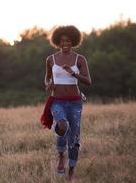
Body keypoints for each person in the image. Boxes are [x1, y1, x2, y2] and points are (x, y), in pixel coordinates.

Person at [44, 25, 91, 181]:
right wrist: (49, 84)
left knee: (75, 138)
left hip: (75, 102)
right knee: (62, 125)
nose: (65, 43)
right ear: (57, 42)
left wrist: (73, 74)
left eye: (69, 41)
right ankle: (61, 155)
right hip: (57, 101)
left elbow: (88, 81)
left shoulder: (80, 59)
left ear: (74, 42)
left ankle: (71, 169)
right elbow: (47, 78)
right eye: (63, 41)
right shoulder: (50, 59)